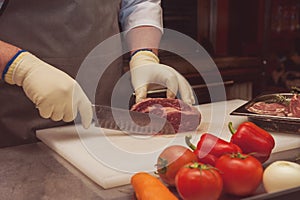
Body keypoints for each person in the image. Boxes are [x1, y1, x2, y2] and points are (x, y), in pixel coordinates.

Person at [0, 0, 195, 147]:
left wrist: (144, 55)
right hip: (16, 124)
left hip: (100, 116)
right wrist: (21, 69)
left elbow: (140, 3)